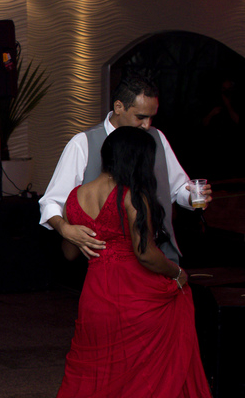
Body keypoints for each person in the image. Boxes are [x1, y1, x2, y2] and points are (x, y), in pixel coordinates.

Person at [22, 126, 212, 398]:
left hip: (96, 295)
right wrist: (177, 275)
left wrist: (78, 234)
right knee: (141, 380)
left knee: (98, 377)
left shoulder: (76, 197)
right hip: (135, 293)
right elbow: (146, 254)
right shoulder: (133, 196)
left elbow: (69, 252)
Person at [40, 72, 211, 262]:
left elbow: (177, 188)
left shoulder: (158, 138)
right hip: (106, 261)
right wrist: (65, 230)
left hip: (159, 255)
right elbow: (52, 201)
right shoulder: (83, 143)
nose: (147, 125)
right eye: (141, 117)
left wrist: (192, 196)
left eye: (151, 118)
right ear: (119, 107)